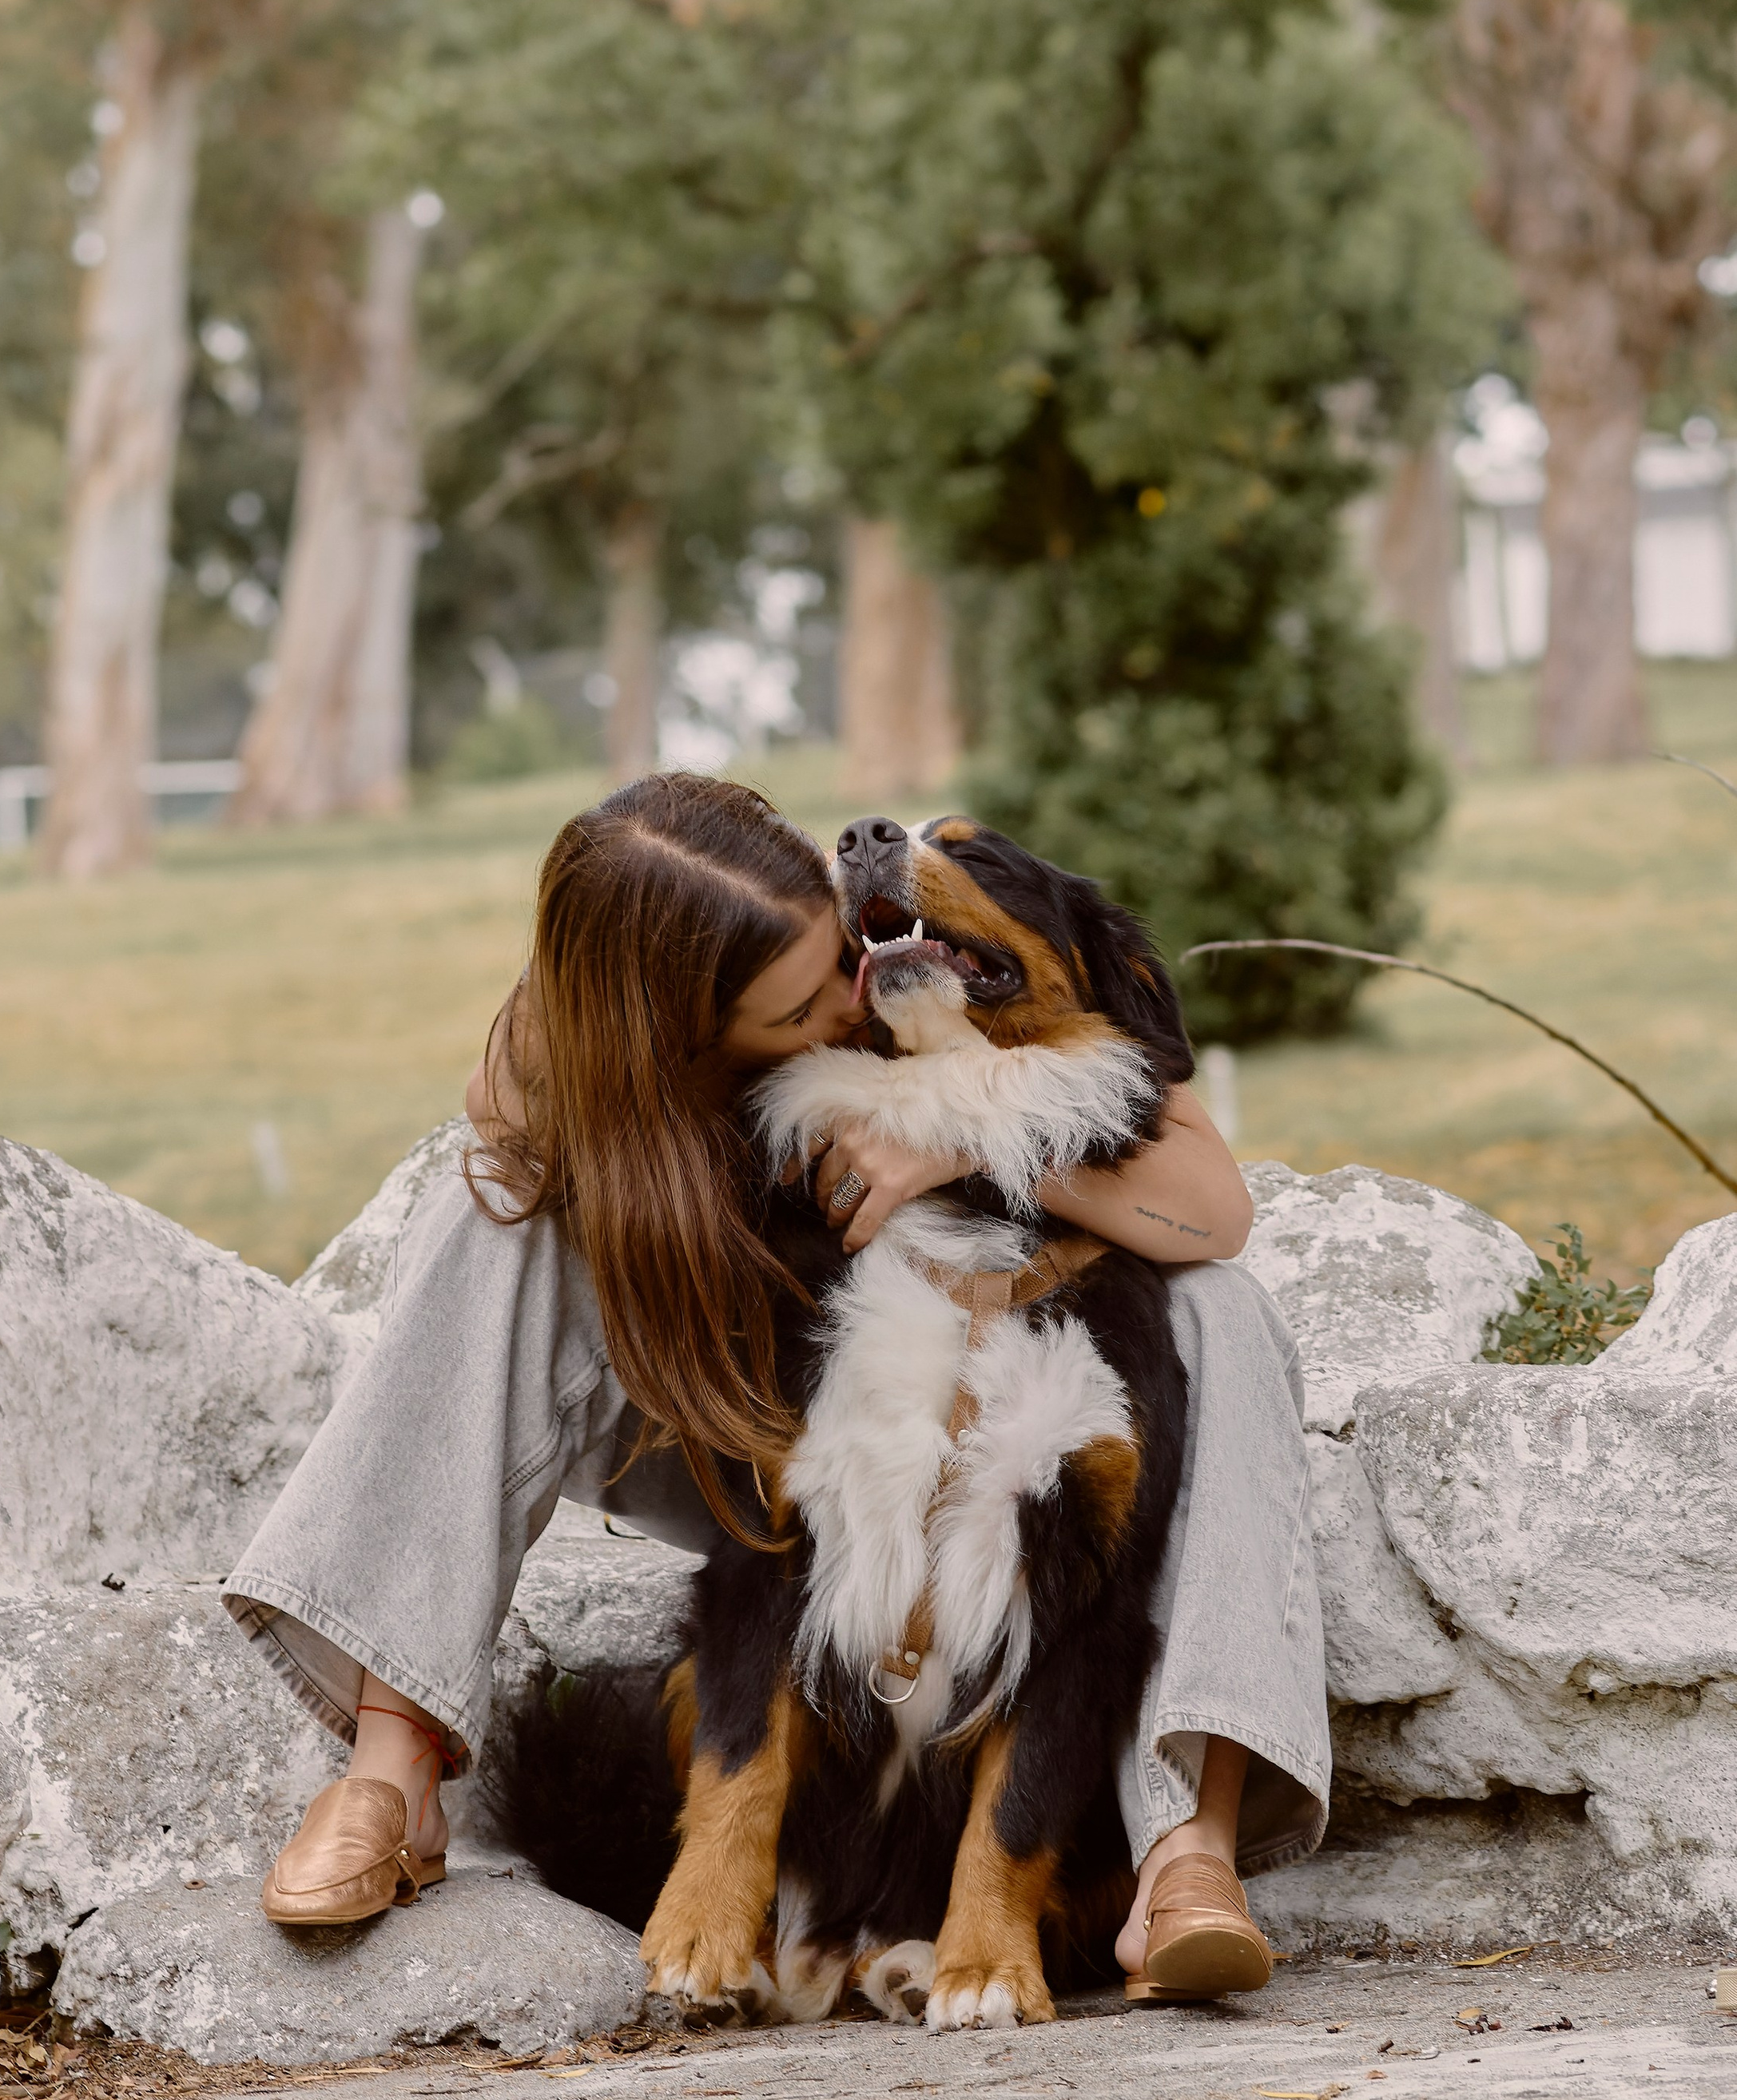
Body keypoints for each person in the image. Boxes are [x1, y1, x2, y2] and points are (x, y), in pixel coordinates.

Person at [223, 772, 1327, 2000]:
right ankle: (393, 1765)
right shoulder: (624, 1042)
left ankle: (1184, 1847)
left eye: (843, 955)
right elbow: (513, 1105)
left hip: (994, 1397)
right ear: (682, 1029)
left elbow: (1213, 1206)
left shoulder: (886, 949)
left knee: (1222, 1305)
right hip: (743, 1413)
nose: (852, 999)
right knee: (489, 1217)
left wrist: (954, 1133)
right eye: (805, 1005)